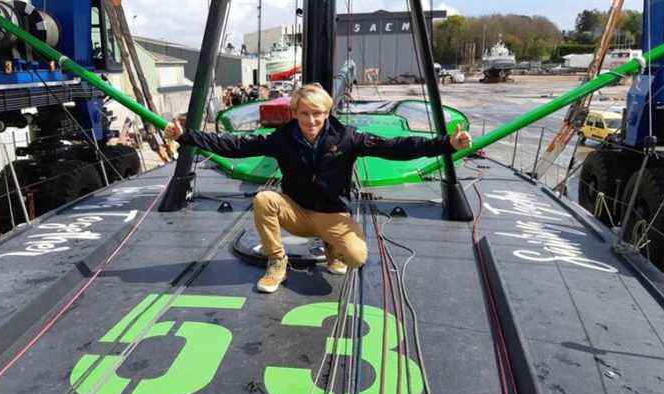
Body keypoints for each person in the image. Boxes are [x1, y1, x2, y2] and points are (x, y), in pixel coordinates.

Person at [165, 83, 471, 293]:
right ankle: (277, 261)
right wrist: (186, 137)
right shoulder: (281, 139)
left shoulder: (349, 138)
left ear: (327, 113)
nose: (311, 120)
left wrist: (446, 143)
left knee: (356, 257)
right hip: (295, 212)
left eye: (318, 113)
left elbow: (397, 147)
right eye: (304, 113)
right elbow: (235, 145)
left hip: (332, 215)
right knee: (264, 199)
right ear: (295, 113)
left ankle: (332, 246)